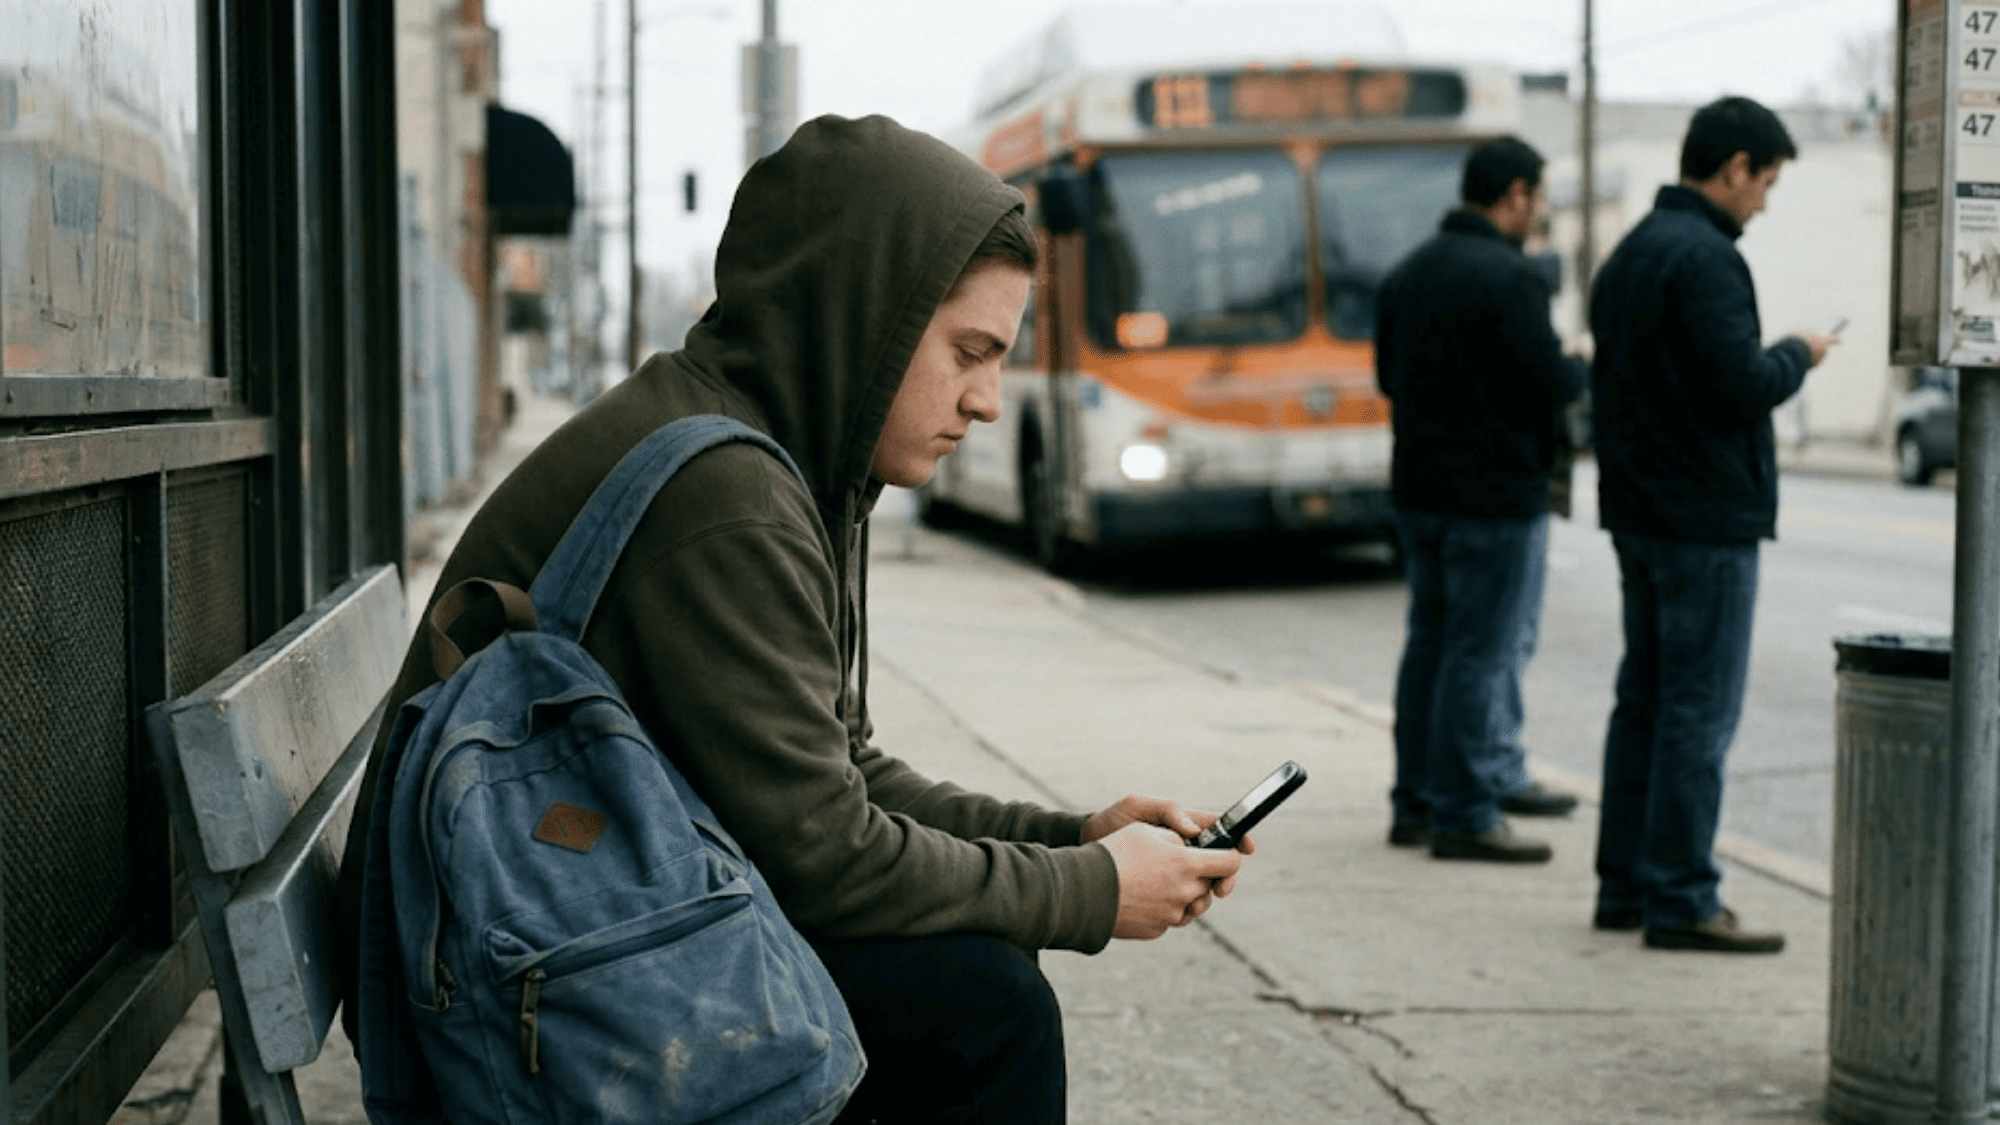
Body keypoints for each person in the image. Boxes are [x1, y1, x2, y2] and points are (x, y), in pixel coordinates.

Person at [334, 114, 1248, 1122]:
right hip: (501, 975)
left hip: (538, 919)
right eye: (968, 352)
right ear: (868, 318)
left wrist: (1071, 836)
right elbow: (829, 862)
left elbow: (837, 773)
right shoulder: (725, 493)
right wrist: (1085, 891)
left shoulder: (757, 449)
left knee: (969, 972)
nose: (986, 401)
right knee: (984, 1009)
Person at [1587, 96, 1834, 953]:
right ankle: (1683, 895)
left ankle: (1623, 884)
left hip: (1641, 515)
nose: (1763, 201)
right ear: (1733, 169)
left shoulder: (1628, 257)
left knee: (1645, 702)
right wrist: (1801, 351)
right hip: (1706, 521)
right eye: (1764, 182)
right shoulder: (1708, 259)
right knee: (1698, 711)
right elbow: (1744, 384)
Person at [1374, 136, 1586, 864]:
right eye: (1538, 198)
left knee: (1429, 646)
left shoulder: (1407, 274)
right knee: (1479, 653)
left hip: (1419, 494)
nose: (1538, 214)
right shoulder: (1511, 277)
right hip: (1495, 499)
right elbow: (1550, 382)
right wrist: (1578, 366)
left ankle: (1416, 801)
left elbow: (1386, 378)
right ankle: (1465, 811)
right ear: (1515, 195)